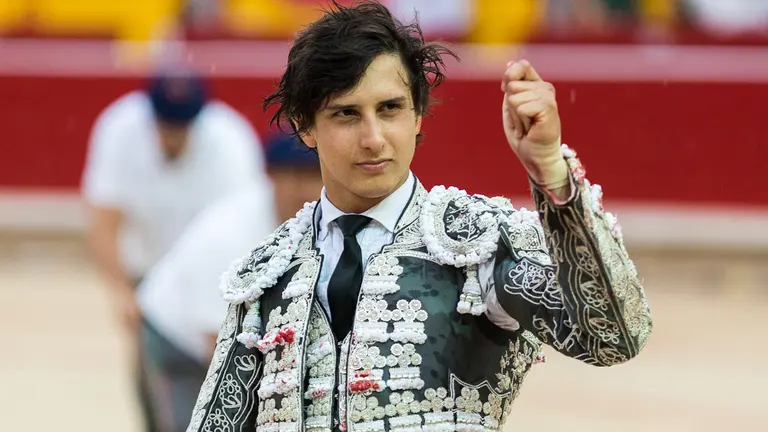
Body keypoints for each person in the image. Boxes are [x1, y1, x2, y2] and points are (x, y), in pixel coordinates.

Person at [186, 2, 654, 431]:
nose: (374, 139)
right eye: (347, 114)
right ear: (305, 127)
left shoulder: (477, 245)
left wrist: (552, 171)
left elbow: (611, 336)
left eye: (390, 109)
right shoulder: (268, 276)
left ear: (418, 116)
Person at [80, 68, 264, 432]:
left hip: (218, 277)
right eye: (166, 123)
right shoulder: (119, 130)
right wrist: (121, 292)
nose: (174, 133)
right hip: (148, 275)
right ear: (149, 113)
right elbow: (104, 221)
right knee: (152, 375)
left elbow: (248, 235)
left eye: (182, 124)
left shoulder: (231, 143)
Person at [134, 131, 323, 432]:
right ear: (271, 176)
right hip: (176, 337)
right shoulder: (228, 234)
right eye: (293, 176)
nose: (305, 187)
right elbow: (218, 341)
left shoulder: (320, 220)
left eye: (315, 174)